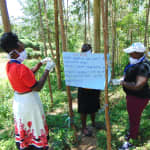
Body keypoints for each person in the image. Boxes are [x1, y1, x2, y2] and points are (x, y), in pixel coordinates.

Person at [0, 32, 55, 150]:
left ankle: (28, 145)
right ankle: (38, 145)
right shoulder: (21, 68)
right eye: (22, 48)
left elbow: (27, 75)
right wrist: (47, 69)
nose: (23, 50)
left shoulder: (10, 65)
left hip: (20, 102)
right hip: (30, 103)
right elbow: (37, 87)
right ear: (14, 52)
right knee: (34, 125)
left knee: (25, 127)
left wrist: (40, 64)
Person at [120, 42, 150, 149]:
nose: (129, 55)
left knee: (134, 118)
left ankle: (131, 140)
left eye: (131, 53)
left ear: (138, 53)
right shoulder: (135, 62)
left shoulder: (144, 66)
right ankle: (133, 132)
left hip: (138, 97)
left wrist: (123, 83)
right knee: (133, 117)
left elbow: (138, 86)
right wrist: (124, 78)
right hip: (132, 96)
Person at [77, 43, 101, 136]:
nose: (86, 52)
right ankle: (83, 128)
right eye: (84, 50)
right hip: (83, 89)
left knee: (93, 106)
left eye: (87, 50)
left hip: (94, 88)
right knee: (83, 109)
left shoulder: (96, 60)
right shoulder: (77, 61)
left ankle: (93, 123)